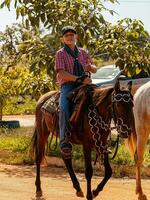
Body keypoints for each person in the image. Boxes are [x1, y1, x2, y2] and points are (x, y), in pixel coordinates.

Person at [55, 26, 97, 158]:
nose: (69, 37)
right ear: (63, 39)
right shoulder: (60, 53)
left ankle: (100, 136)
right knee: (64, 108)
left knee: (100, 101)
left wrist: (90, 67)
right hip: (68, 85)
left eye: (72, 35)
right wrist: (78, 79)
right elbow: (61, 73)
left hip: (84, 83)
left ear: (76, 37)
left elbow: (94, 68)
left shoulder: (84, 52)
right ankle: (64, 142)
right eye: (66, 35)